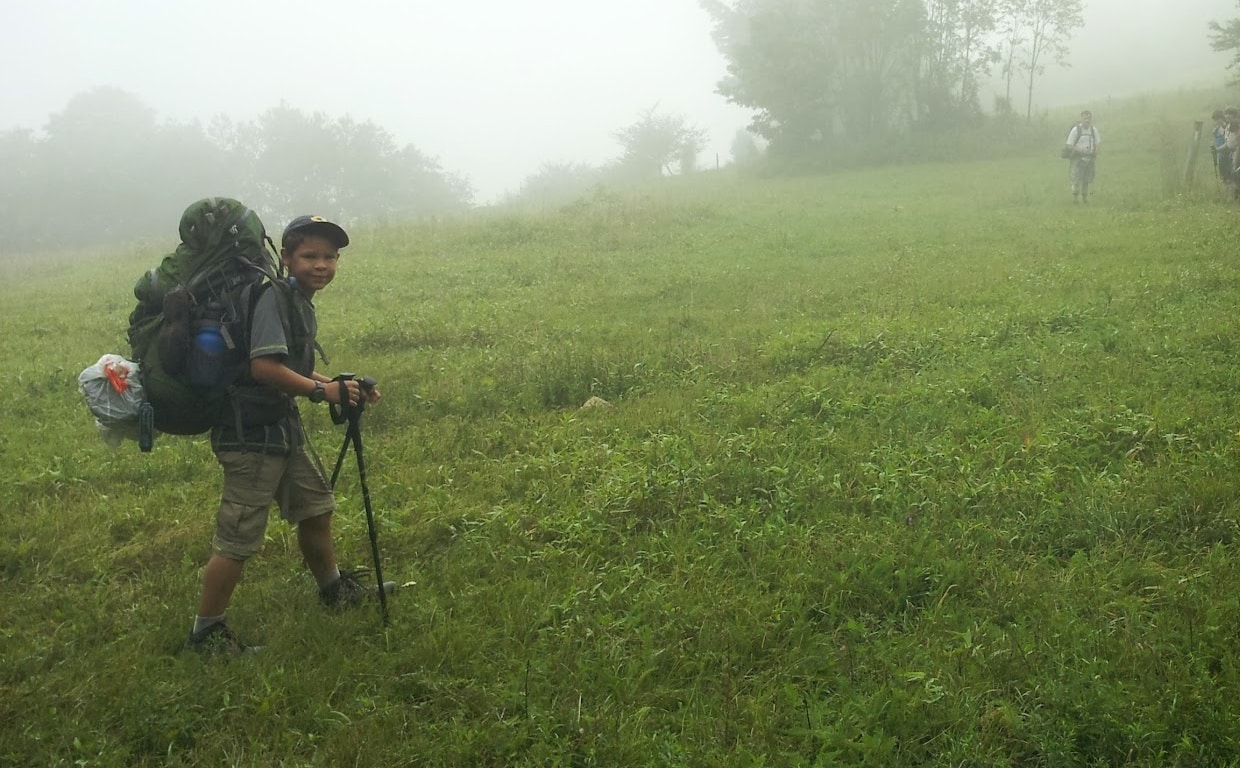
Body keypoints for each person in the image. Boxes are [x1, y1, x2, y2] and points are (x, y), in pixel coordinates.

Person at [185, 214, 390, 656]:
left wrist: (341, 387)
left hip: (280, 429)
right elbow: (263, 369)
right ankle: (205, 635)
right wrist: (323, 390)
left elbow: (287, 368)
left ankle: (333, 590)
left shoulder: (296, 300)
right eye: (310, 255)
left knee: (316, 508)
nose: (322, 265)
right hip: (250, 435)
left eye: (330, 257)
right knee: (238, 539)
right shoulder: (272, 299)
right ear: (287, 257)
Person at [1064, 109, 1100, 204]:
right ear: (1081, 119)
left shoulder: (1093, 130)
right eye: (1085, 118)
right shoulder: (1076, 130)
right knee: (1076, 179)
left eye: (1088, 118)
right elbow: (1069, 145)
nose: (1087, 120)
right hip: (1078, 158)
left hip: (1090, 159)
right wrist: (1081, 150)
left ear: (1091, 119)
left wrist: (1095, 151)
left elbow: (1097, 143)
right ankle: (1075, 199)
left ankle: (1085, 198)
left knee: (1086, 179)